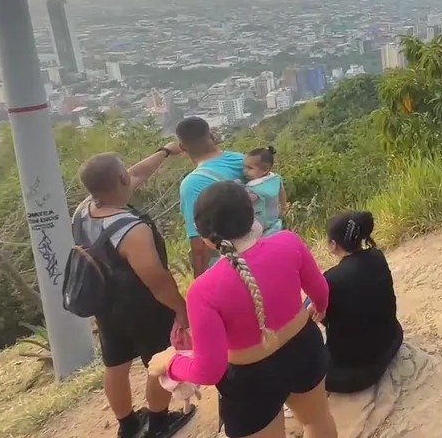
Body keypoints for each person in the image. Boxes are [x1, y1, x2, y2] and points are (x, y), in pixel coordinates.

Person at [149, 181, 337, 438]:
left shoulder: (202, 291)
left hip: (250, 380)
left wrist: (169, 363)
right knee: (317, 420)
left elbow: (208, 370)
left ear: (206, 238)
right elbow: (320, 291)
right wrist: (319, 307)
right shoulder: (288, 242)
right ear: (252, 216)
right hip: (304, 347)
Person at [74, 146, 197, 438]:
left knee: (116, 364)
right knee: (160, 359)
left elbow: (137, 173)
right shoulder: (131, 229)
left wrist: (164, 152)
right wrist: (181, 309)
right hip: (144, 308)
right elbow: (157, 280)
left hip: (106, 304)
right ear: (121, 179)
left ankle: (128, 425)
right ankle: (157, 423)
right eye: (124, 170)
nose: (130, 173)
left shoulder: (83, 211)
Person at [319, 210, 404, 394]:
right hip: (392, 341)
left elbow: (317, 314)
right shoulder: (377, 256)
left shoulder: (331, 278)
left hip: (357, 374)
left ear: (333, 244)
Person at [176, 116, 246, 276]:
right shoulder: (243, 160)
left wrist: (199, 281)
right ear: (212, 137)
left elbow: (199, 244)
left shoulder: (192, 183)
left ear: (182, 147)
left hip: (231, 266)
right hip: (261, 246)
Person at [243, 146, 287, 236]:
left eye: (250, 168)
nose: (245, 171)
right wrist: (283, 206)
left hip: (260, 228)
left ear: (265, 169)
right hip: (275, 222)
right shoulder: (276, 178)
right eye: (244, 167)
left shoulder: (253, 189)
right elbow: (281, 191)